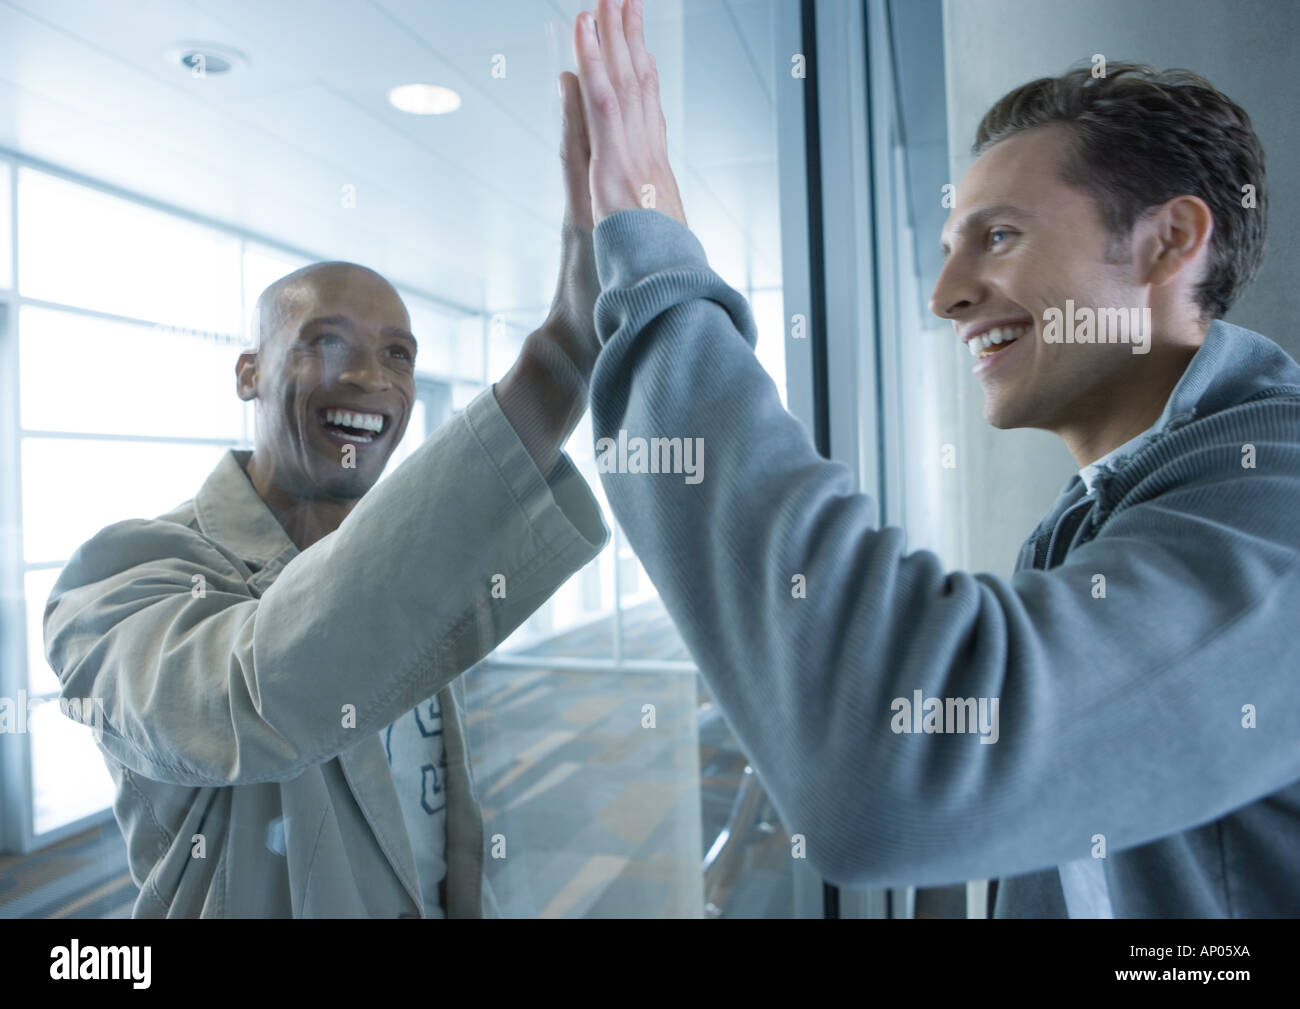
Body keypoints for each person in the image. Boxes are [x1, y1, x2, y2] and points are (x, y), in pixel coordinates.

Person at [565, 0, 1300, 916]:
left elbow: (897, 765)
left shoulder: (1281, 499)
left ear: (1167, 243)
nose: (947, 295)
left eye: (997, 236)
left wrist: (660, 279)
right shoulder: (1099, 522)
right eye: (951, 247)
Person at [42, 75, 609, 918]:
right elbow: (260, 697)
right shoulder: (119, 576)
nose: (367, 378)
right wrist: (556, 365)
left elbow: (426, 823)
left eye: (398, 354)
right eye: (324, 342)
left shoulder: (399, 569)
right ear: (249, 372)